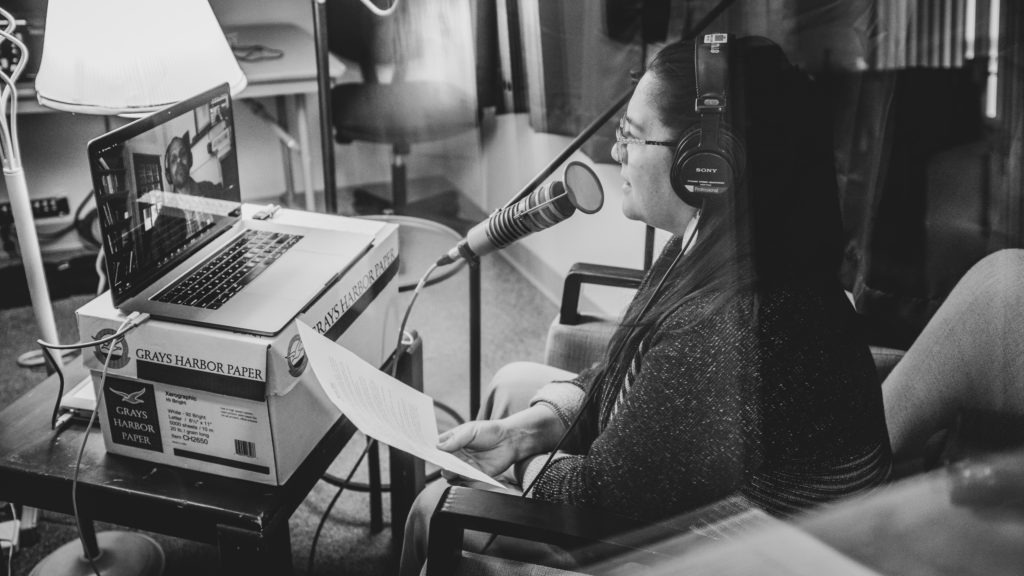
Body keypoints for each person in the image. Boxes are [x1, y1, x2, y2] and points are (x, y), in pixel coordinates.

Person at [400, 35, 893, 575]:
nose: (616, 154)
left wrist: (519, 465)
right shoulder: (727, 244)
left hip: (743, 557)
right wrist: (526, 430)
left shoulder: (731, 327)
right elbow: (624, 375)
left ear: (707, 163)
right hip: (717, 519)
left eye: (632, 138)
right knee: (516, 384)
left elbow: (595, 500)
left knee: (434, 509)